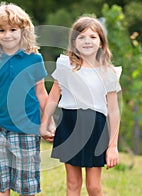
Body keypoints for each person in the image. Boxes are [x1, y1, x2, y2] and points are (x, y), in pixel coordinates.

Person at [40, 16, 122, 196]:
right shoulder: (65, 66)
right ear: (74, 42)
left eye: (92, 37)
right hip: (70, 125)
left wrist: (113, 146)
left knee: (93, 187)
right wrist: (44, 123)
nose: (87, 41)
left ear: (101, 42)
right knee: (73, 183)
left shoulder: (108, 72)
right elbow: (54, 96)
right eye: (81, 36)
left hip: (96, 129)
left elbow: (114, 111)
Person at [0, 2, 49, 195]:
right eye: (1, 30)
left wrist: (48, 121)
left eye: (13, 29)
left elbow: (41, 93)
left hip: (27, 130)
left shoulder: (34, 59)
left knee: (27, 186)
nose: (7, 35)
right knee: (0, 184)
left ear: (23, 30)